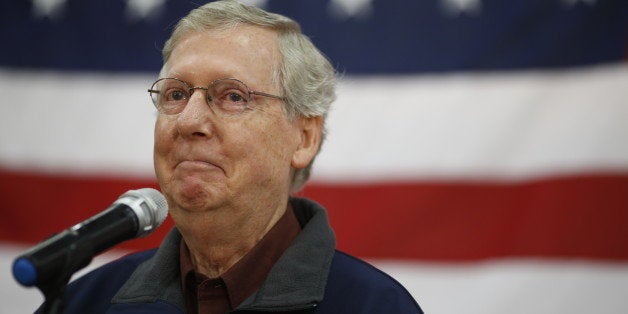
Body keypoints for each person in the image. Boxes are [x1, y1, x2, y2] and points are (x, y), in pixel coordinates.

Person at [53, 1, 423, 313]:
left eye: (233, 96)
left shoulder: (376, 305)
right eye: (176, 95)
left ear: (303, 138)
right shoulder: (86, 302)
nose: (189, 121)